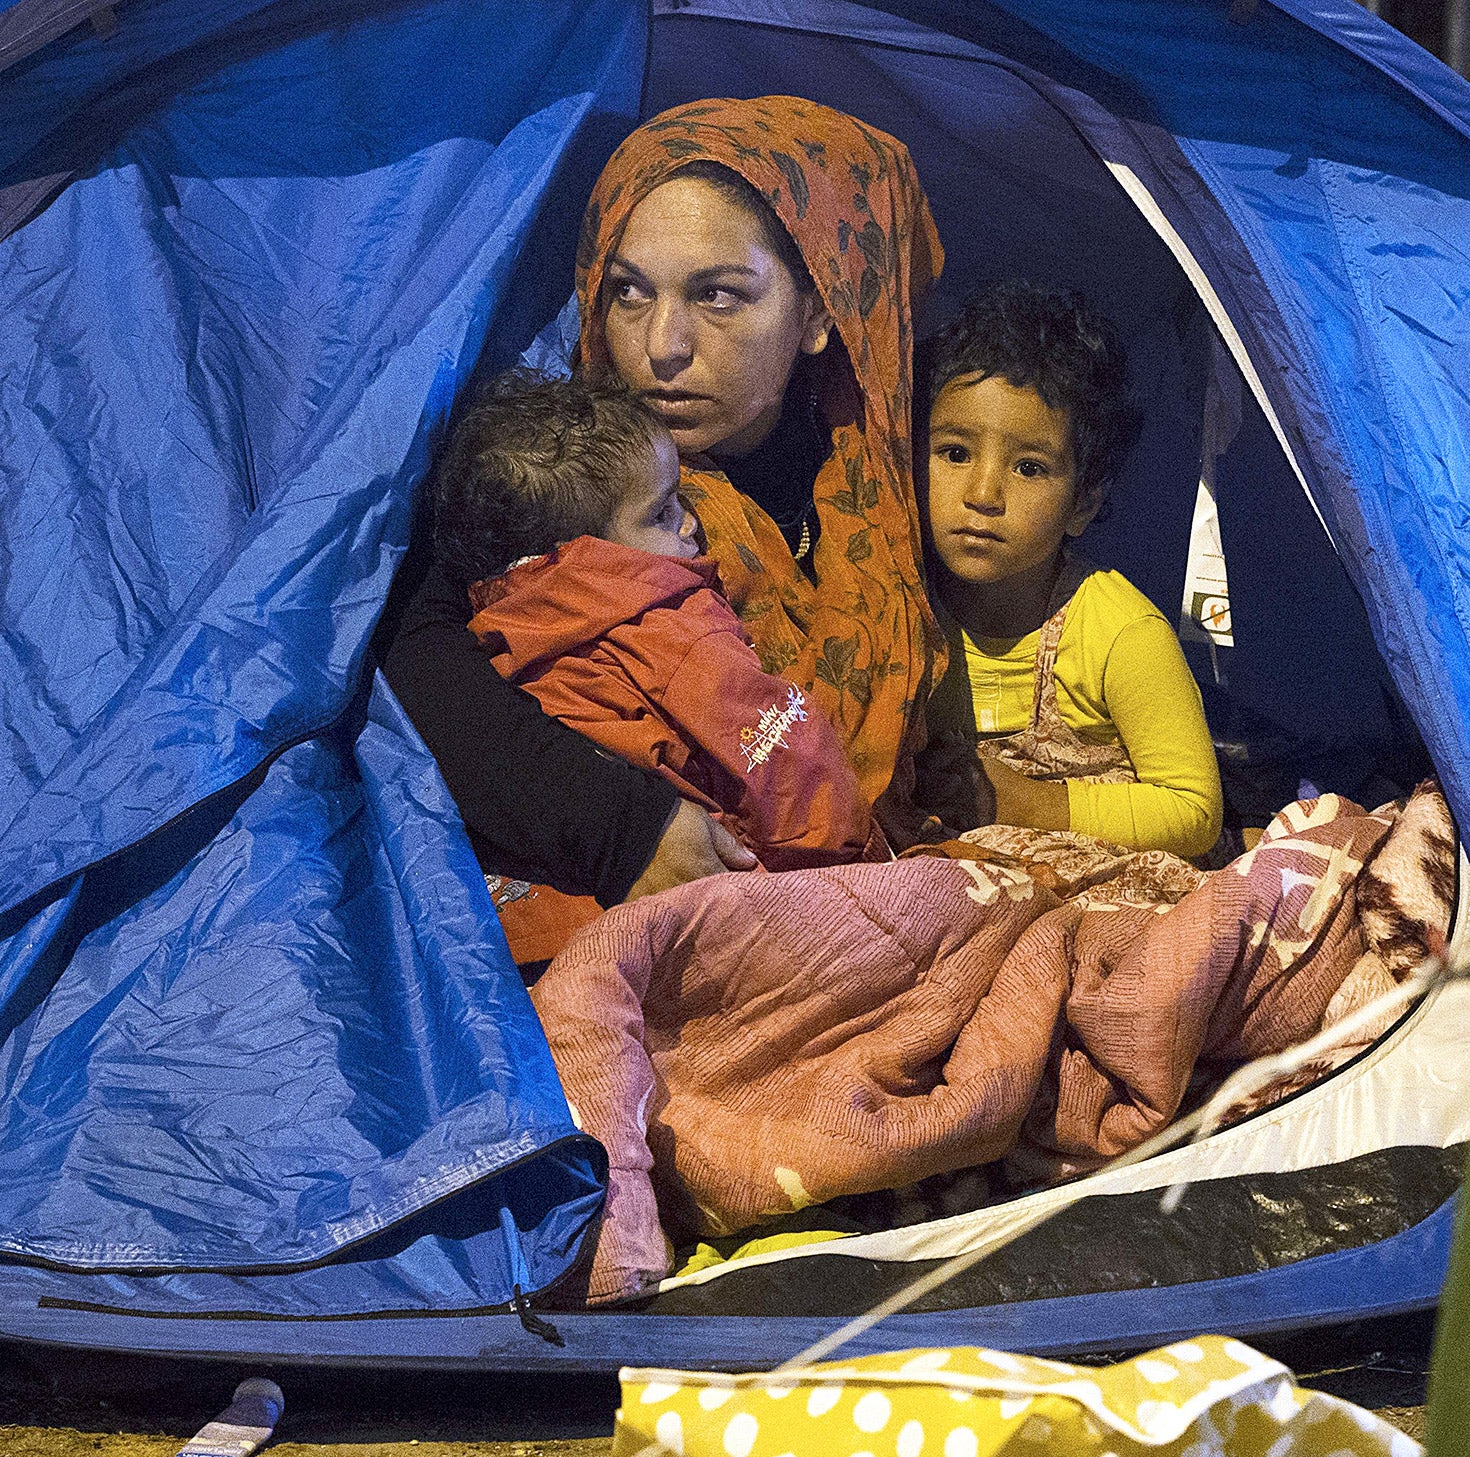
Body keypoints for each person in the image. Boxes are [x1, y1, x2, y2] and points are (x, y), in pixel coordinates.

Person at [379, 96, 945, 914]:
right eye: (628, 293)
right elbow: (417, 653)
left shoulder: (880, 487)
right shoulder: (565, 474)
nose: (661, 346)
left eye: (718, 296)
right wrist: (623, 827)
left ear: (820, 311)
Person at [432, 371, 877, 962]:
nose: (690, 523)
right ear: (588, 556)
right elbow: (787, 760)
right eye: (662, 513)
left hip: (541, 937)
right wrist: (858, 866)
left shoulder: (498, 638)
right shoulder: (672, 629)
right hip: (734, 917)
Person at [921, 282, 1223, 859]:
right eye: (955, 453)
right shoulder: (904, 606)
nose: (983, 494)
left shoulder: (1119, 632)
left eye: (1029, 467)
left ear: (1082, 503)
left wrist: (1029, 806)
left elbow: (1194, 811)